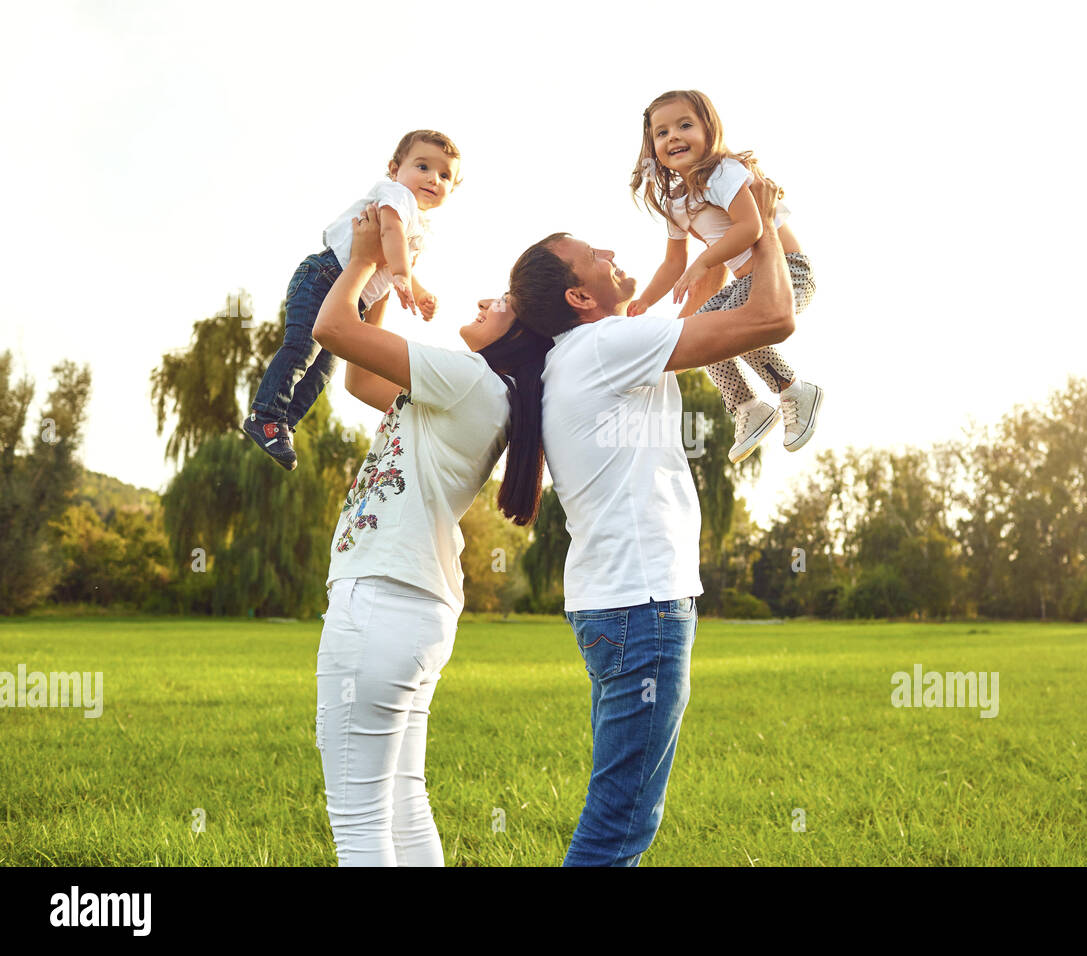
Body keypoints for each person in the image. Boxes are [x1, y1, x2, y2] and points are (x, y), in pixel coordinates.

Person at [509, 177, 795, 866]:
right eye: (591, 255)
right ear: (580, 297)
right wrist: (766, 223)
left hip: (616, 605)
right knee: (619, 825)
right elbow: (772, 319)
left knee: (621, 812)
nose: (609, 249)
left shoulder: (581, 355)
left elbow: (704, 294)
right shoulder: (608, 346)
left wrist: (726, 233)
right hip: (642, 606)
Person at [310, 203, 553, 866]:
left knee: (357, 818)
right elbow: (361, 377)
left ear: (521, 335)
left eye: (502, 302)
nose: (484, 300)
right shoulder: (483, 393)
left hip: (383, 598)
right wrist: (388, 286)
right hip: (417, 608)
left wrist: (365, 258)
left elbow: (331, 328)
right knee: (401, 801)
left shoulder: (468, 379)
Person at [242, 130, 461, 471]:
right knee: (302, 347)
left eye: (445, 175)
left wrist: (417, 291)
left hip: (349, 301)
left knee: (322, 371)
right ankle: (266, 413)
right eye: (422, 166)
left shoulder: (420, 227)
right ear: (394, 169)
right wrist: (402, 274)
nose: (433, 178)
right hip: (324, 277)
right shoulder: (396, 195)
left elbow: (395, 257)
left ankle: (283, 425)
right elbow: (389, 232)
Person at [628, 90, 823, 464]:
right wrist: (646, 300)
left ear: (708, 129)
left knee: (737, 325)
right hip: (746, 283)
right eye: (662, 132)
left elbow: (751, 226)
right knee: (704, 332)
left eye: (685, 125)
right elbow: (673, 262)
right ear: (652, 146)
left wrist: (703, 264)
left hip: (788, 271)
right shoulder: (675, 202)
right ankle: (748, 406)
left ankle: (794, 389)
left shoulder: (723, 172)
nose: (674, 137)